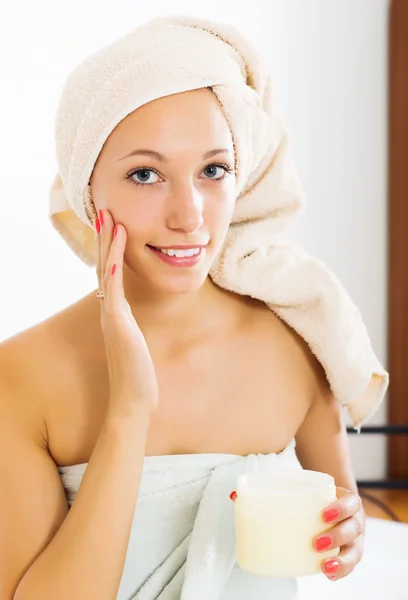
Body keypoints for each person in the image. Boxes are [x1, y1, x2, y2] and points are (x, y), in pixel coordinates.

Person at [0, 16, 372, 600]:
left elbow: (342, 523)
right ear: (87, 187)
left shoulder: (300, 340)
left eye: (213, 170)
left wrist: (347, 536)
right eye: (145, 174)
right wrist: (128, 410)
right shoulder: (21, 376)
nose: (189, 214)